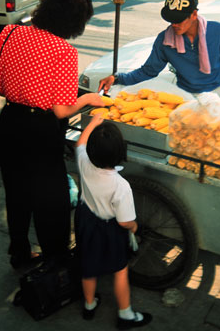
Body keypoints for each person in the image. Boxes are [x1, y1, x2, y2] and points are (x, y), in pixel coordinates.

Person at [0, 0, 104, 269]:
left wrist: (24, 91)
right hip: (41, 132)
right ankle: (55, 263)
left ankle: (20, 253)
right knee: (49, 198)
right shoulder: (64, 52)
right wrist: (89, 99)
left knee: (16, 193)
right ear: (74, 21)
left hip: (9, 122)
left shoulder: (10, 33)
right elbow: (61, 109)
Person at [99, 0, 220, 109]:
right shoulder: (164, 41)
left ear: (194, 14)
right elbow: (148, 71)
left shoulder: (218, 31)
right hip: (185, 98)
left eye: (179, 20)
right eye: (171, 20)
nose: (174, 25)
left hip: (217, 96)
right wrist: (117, 78)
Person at [74, 113, 152, 329]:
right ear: (120, 153)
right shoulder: (121, 186)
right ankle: (125, 314)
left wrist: (92, 125)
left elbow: (79, 144)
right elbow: (125, 222)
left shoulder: (83, 162)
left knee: (88, 267)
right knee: (120, 270)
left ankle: (89, 305)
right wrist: (134, 227)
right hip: (109, 229)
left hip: (86, 222)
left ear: (91, 151)